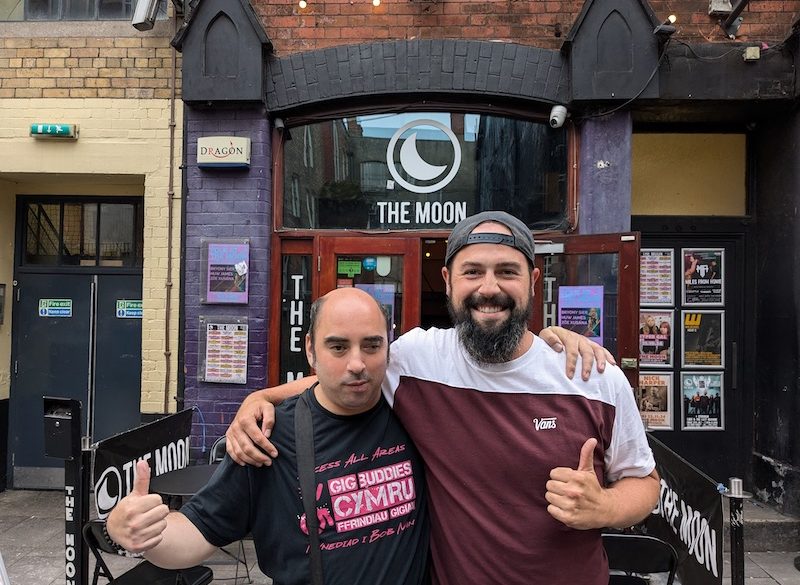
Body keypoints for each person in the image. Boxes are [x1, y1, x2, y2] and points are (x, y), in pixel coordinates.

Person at [226, 211, 659, 585]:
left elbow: (644, 483)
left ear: (533, 281)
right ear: (449, 280)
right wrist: (260, 397)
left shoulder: (593, 378)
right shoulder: (417, 359)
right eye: (473, 272)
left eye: (507, 271)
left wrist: (603, 506)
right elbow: (347, 377)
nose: (489, 288)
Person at [106, 287, 430, 585]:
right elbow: (198, 531)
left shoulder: (417, 410)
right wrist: (141, 533)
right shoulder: (269, 435)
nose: (357, 363)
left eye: (371, 345)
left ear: (389, 348)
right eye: (338, 347)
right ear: (311, 350)